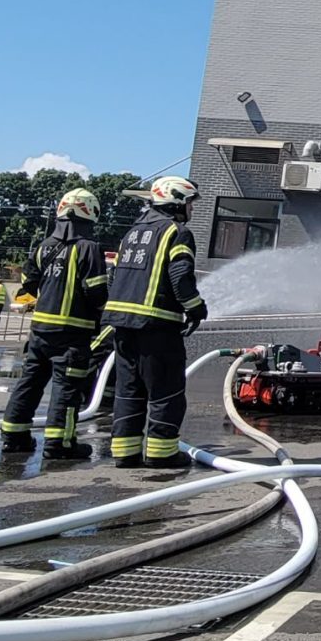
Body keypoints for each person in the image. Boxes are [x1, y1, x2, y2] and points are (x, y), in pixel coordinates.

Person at [103, 176, 208, 470]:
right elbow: (180, 278)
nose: (191, 209)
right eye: (189, 203)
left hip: (122, 326)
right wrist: (196, 309)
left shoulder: (132, 234)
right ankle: (161, 454)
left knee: (129, 390)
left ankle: (124, 453)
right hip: (157, 326)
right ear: (176, 202)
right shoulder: (177, 232)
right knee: (166, 392)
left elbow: (115, 277)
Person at [0, 189, 111, 461]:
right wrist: (105, 316)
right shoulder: (89, 248)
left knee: (30, 383)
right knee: (67, 389)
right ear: (91, 212)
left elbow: (28, 283)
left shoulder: (44, 246)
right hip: (73, 332)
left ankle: (13, 438)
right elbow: (95, 293)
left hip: (39, 329)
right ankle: (60, 445)